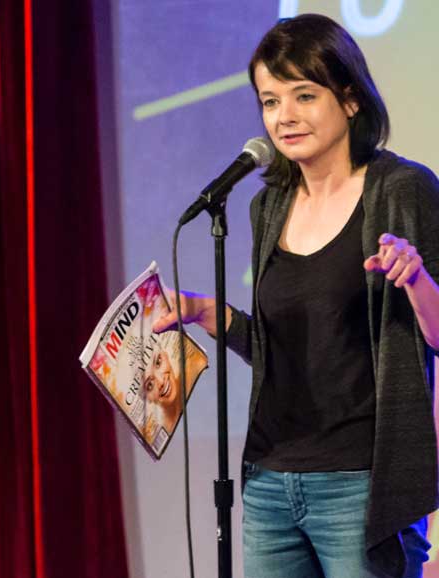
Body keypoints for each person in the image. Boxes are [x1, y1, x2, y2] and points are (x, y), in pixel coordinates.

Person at [152, 14, 439, 578]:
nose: (284, 117)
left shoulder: (403, 190)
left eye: (303, 95)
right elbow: (285, 349)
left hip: (361, 486)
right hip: (269, 482)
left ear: (350, 99)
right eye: (269, 101)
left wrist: (418, 280)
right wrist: (209, 313)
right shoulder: (269, 207)